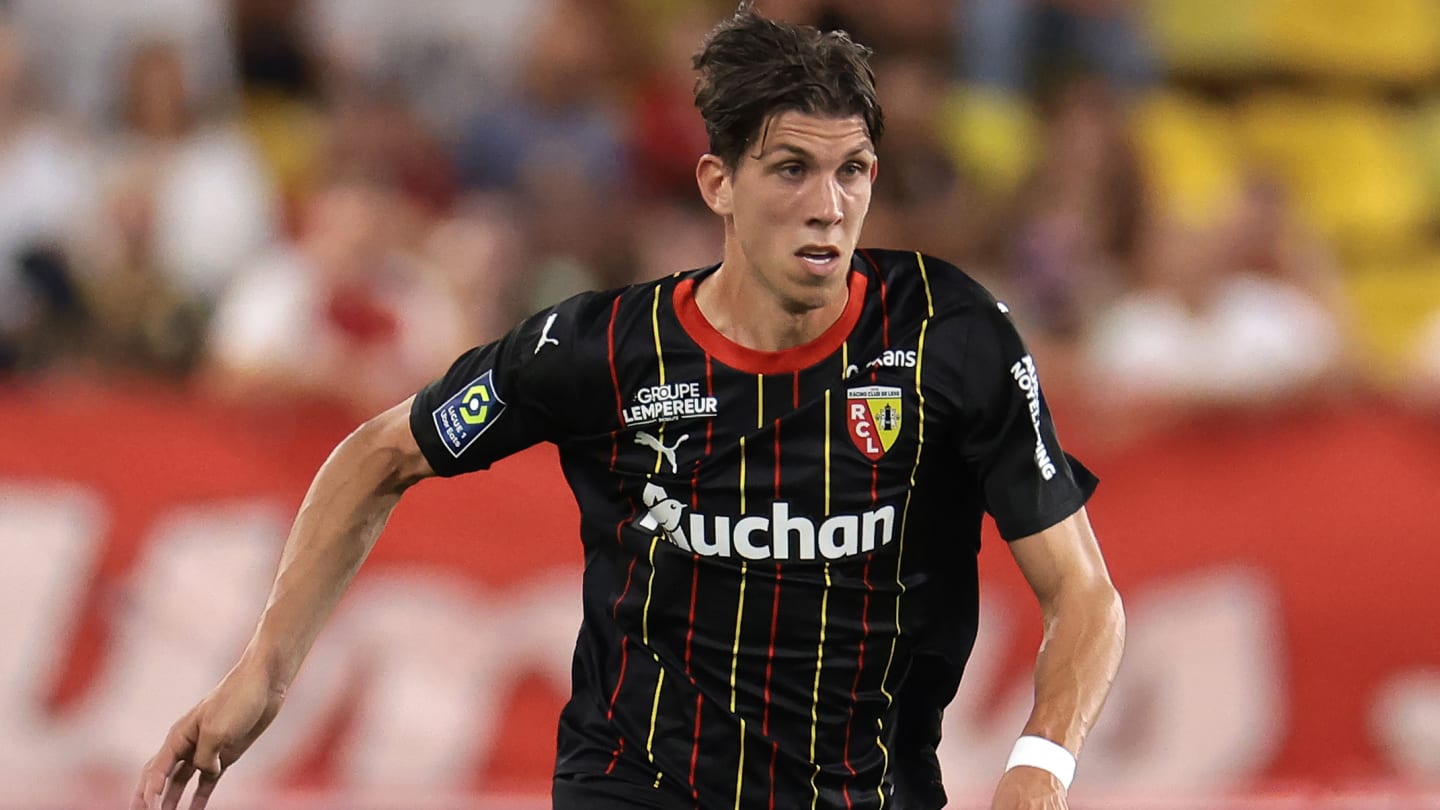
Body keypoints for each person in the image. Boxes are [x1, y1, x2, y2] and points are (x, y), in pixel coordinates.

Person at [131, 6, 1125, 810]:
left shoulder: (950, 337)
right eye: (791, 169)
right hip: (637, 784)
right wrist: (264, 671)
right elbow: (382, 452)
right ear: (718, 183)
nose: (829, 206)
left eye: (851, 170)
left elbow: (1084, 597)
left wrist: (1043, 762)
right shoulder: (602, 349)